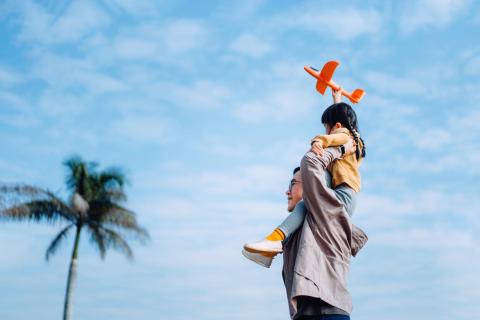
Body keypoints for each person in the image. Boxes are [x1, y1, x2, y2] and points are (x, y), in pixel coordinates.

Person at [244, 90, 366, 256]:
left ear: (337, 126)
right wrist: (337, 100)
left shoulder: (345, 136)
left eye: (326, 128)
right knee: (308, 210)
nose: (326, 132)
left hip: (342, 197)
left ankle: (276, 239)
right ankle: (276, 240)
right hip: (348, 199)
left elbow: (333, 138)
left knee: (304, 204)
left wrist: (318, 141)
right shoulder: (356, 142)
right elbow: (337, 135)